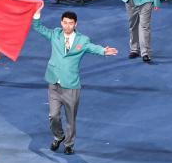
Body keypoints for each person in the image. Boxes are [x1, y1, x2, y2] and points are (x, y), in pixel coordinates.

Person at [31, 8, 117, 155]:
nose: (67, 26)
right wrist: (37, 13)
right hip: (54, 82)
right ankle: (59, 136)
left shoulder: (82, 40)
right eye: (65, 23)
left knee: (71, 118)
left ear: (75, 24)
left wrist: (103, 50)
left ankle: (69, 144)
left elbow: (92, 47)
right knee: (53, 116)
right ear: (61, 23)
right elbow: (38, 27)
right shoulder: (55, 34)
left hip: (71, 85)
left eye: (70, 23)